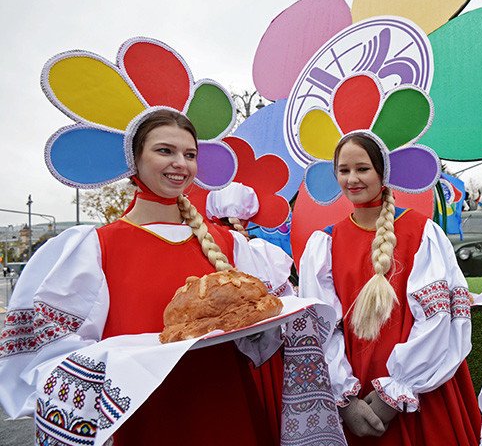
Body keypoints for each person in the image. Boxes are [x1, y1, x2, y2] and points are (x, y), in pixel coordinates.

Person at [0, 110, 295, 445]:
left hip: (229, 403)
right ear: (134, 160)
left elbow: (265, 328)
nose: (181, 164)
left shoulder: (227, 243)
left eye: (190, 154)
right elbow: (50, 354)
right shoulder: (96, 248)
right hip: (150, 416)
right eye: (165, 151)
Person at [299, 132, 481, 445]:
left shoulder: (422, 232)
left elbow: (439, 320)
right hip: (358, 390)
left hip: (421, 391)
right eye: (344, 171)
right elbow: (322, 329)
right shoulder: (325, 245)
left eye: (363, 168)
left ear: (382, 172)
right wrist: (344, 398)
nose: (353, 179)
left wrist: (397, 390)